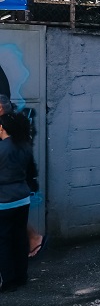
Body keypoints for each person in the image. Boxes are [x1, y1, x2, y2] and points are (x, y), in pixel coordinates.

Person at [0, 111, 33, 291]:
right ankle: (22, 276)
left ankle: (8, 280)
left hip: (4, 201)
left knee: (3, 240)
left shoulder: (1, 149)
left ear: (2, 128)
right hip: (22, 199)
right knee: (19, 238)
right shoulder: (25, 145)